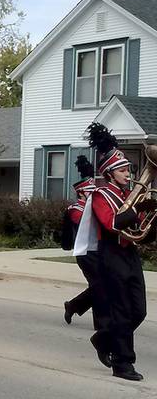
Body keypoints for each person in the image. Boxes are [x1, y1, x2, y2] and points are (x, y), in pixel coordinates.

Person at [76, 123, 150, 380]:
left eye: (128, 169)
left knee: (139, 310)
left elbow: (138, 225)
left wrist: (148, 211)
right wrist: (135, 210)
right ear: (110, 172)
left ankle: (103, 338)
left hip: (130, 255)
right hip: (111, 255)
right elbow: (112, 223)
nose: (128, 173)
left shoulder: (128, 194)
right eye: (123, 169)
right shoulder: (100, 195)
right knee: (121, 311)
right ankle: (123, 363)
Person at [63, 155, 99, 328]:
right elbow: (86, 224)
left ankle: (73, 305)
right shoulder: (76, 209)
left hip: (96, 251)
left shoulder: (93, 207)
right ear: (82, 192)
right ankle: (100, 323)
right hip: (85, 253)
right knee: (100, 286)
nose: (94, 194)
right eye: (90, 191)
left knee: (101, 285)